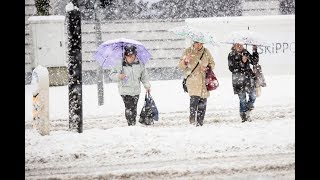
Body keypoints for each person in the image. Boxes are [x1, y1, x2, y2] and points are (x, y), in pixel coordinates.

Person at [109, 44, 151, 126]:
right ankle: (130, 123)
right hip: (125, 91)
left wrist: (147, 86)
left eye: (133, 56)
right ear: (125, 56)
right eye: (129, 56)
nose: (131, 58)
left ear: (135, 55)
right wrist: (119, 76)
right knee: (129, 108)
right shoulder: (119, 64)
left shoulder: (140, 64)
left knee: (134, 108)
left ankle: (132, 123)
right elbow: (111, 75)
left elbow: (144, 76)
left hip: (136, 91)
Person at [178, 41, 215, 126]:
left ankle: (200, 122)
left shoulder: (206, 52)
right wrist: (185, 61)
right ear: (193, 43)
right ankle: (192, 119)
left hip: (203, 80)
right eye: (197, 43)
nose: (200, 45)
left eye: (201, 43)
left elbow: (212, 63)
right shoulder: (187, 51)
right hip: (192, 80)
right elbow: (180, 66)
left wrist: (207, 68)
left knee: (203, 102)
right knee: (194, 100)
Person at [228, 43, 259, 122]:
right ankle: (244, 115)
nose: (240, 46)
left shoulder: (245, 52)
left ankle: (247, 110)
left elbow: (254, 61)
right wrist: (242, 61)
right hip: (238, 80)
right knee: (242, 99)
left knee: (253, 96)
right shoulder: (231, 54)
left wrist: (255, 50)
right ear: (234, 45)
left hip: (248, 79)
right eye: (238, 45)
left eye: (241, 45)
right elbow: (231, 68)